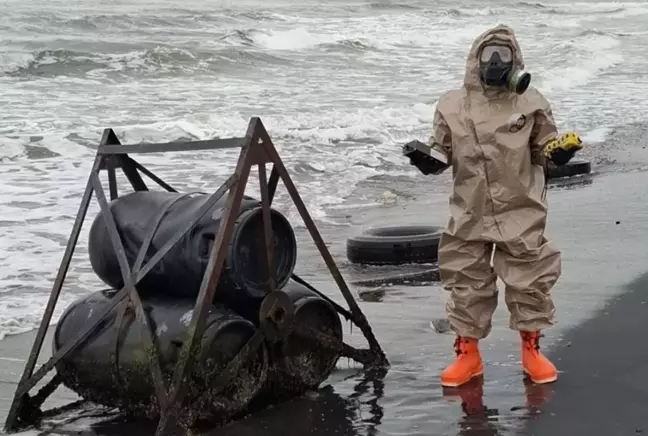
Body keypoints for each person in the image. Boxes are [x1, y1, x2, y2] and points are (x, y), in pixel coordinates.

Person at [423, 24, 584, 387]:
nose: (496, 62)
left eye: (504, 56)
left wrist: (559, 152)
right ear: (474, 60)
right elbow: (441, 150)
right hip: (470, 209)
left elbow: (545, 147)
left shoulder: (531, 102)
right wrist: (428, 159)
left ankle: (532, 350)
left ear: (516, 60)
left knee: (531, 278)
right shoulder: (452, 104)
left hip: (520, 207)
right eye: (489, 56)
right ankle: (468, 354)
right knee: (465, 279)